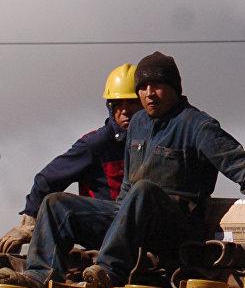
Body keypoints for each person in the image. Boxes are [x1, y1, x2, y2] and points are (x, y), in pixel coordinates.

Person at [0, 52, 245, 288]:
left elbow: (237, 160)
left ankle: (107, 272)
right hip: (131, 215)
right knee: (56, 203)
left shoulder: (197, 125)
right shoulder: (139, 123)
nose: (148, 94)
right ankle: (40, 277)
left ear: (174, 88)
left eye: (156, 86)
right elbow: (128, 184)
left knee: (144, 190)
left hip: (176, 225)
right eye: (142, 88)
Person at [0, 64, 142, 255]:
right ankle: (41, 272)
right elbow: (48, 179)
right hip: (106, 228)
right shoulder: (97, 143)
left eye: (132, 103)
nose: (125, 111)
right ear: (110, 107)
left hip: (141, 228)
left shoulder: (155, 141)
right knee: (57, 204)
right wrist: (29, 223)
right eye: (118, 104)